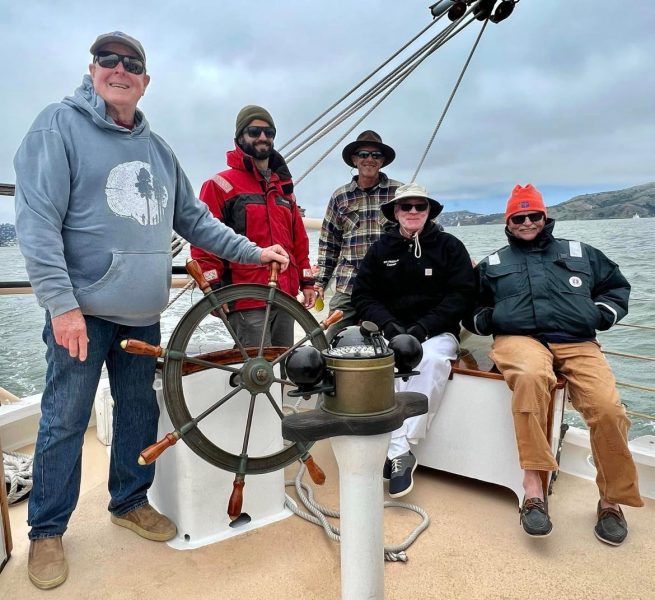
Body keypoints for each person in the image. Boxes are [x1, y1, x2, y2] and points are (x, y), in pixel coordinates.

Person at [13, 31, 289, 590]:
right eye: (108, 60)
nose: (120, 69)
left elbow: (196, 220)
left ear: (145, 79)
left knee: (140, 409)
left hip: (141, 313)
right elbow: (37, 225)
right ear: (92, 69)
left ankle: (129, 501)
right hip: (82, 312)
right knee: (66, 417)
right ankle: (46, 531)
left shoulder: (159, 151)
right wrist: (60, 306)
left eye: (132, 63)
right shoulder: (57, 126)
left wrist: (253, 251)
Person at [463, 183, 643, 543]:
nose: (527, 222)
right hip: (519, 340)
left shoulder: (581, 253)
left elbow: (616, 286)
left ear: (545, 217)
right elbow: (469, 306)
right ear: (508, 221)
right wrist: (487, 321)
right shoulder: (494, 263)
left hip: (576, 341)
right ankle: (533, 486)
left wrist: (602, 313)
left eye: (534, 215)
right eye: (519, 217)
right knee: (530, 378)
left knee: (608, 408)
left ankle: (610, 500)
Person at [352, 183, 476, 497]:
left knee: (431, 361)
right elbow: (363, 296)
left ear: (428, 212)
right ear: (395, 212)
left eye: (419, 207)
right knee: (378, 363)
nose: (412, 212)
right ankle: (400, 453)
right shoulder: (380, 250)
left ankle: (398, 448)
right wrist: (392, 328)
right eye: (406, 207)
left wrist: (420, 330)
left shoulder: (450, 247)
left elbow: (461, 296)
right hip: (389, 332)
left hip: (435, 333)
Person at [190, 105, 315, 347]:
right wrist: (213, 286)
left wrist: (307, 280)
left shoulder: (283, 188)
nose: (262, 138)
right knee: (257, 373)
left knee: (284, 364)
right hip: (246, 297)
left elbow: (299, 240)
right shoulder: (219, 185)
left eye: (269, 132)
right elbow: (204, 239)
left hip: (284, 297)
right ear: (239, 138)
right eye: (254, 131)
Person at [314, 130, 402, 341]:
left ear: (383, 161)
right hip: (349, 284)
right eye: (363, 154)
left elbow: (425, 231)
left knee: (396, 340)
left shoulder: (399, 193)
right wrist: (319, 283)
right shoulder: (340, 196)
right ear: (354, 159)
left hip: (390, 283)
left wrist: (456, 258)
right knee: (331, 341)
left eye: (376, 155)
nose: (369, 159)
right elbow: (329, 243)